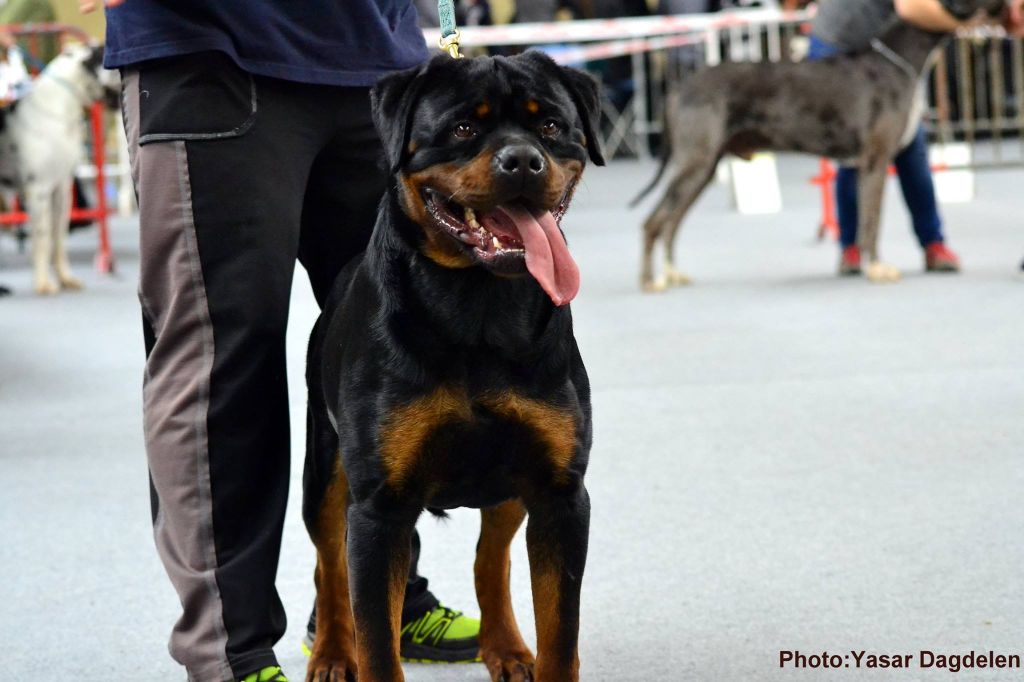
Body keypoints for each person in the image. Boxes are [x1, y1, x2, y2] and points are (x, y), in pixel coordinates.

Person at [80, 1, 481, 681]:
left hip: (379, 63)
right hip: (213, 54)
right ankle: (230, 651)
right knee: (223, 362)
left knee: (399, 354)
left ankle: (377, 598)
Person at [808, 0, 979, 276]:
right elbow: (911, 8)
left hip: (885, 46)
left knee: (911, 146)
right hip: (840, 42)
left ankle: (931, 243)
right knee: (854, 152)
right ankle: (854, 248)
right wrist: (963, 24)